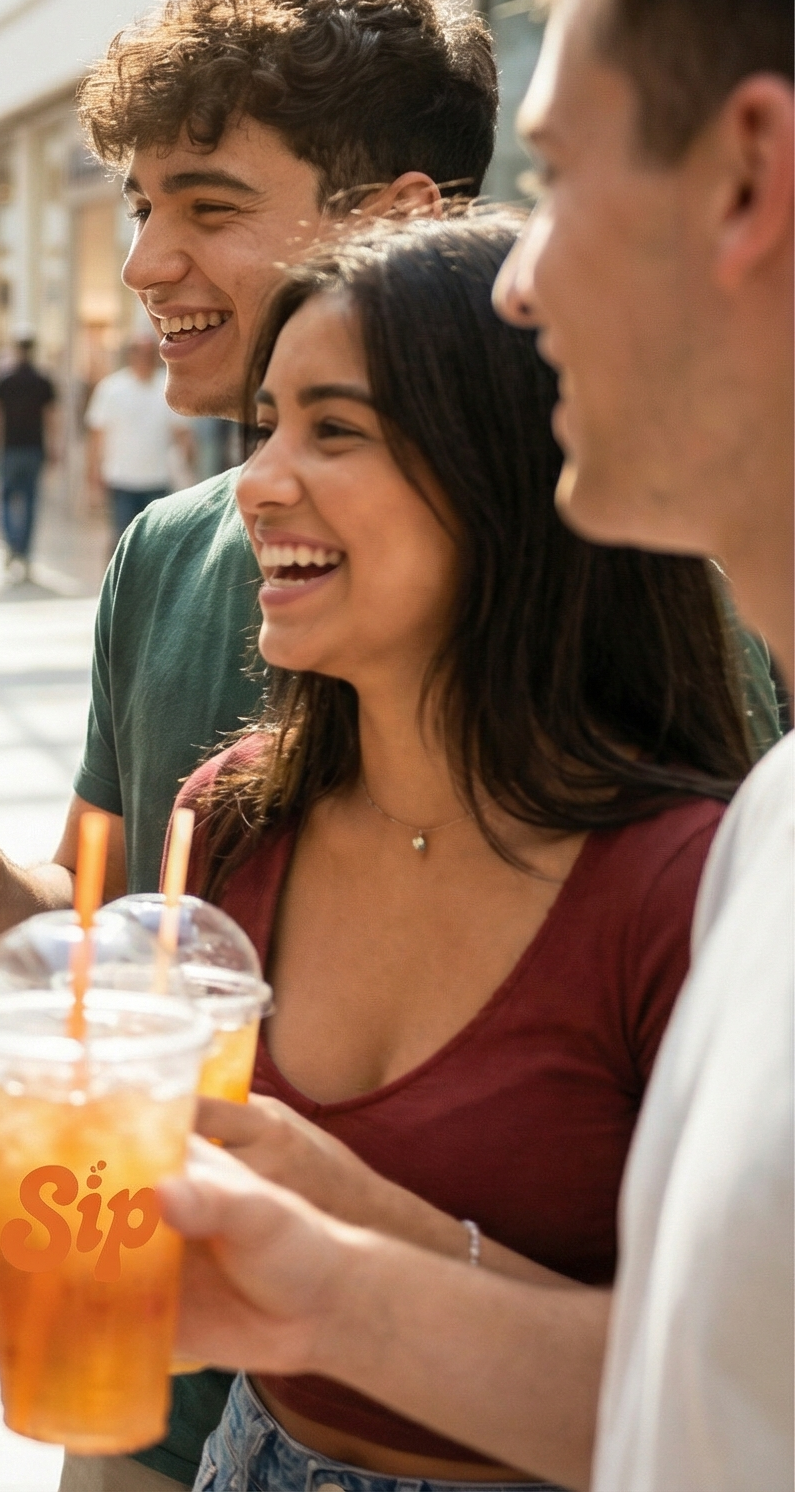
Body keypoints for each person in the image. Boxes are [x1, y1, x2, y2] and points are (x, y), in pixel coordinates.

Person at [121, 0, 795, 1489]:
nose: (504, 278)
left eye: (555, 178)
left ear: (747, 180)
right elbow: (697, 1400)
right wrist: (338, 1274)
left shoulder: (693, 856)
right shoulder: (765, 844)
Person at [0, 0, 511, 1492]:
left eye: (209, 204)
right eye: (137, 206)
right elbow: (116, 926)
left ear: (403, 221)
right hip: (164, 1387)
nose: (142, 262)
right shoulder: (169, 557)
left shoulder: (611, 587)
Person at [173, 213, 746, 1490]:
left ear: (503, 474)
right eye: (262, 424)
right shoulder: (226, 820)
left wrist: (352, 1225)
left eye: (335, 428)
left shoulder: (691, 889)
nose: (258, 481)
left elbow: (731, 1401)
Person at [86, 334, 191, 539]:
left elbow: (181, 429)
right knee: (122, 538)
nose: (144, 358)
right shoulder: (111, 388)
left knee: (156, 540)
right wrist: (93, 474)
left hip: (158, 479)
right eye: (139, 353)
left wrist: (187, 455)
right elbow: (97, 435)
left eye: (149, 354)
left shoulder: (167, 387)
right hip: (121, 479)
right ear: (130, 356)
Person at [0, 337, 56, 580]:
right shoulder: (42, 382)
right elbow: (50, 417)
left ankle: (13, 545)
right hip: (33, 448)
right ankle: (23, 550)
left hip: (10, 448)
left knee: (6, 498)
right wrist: (54, 446)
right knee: (30, 501)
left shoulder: (4, 381)